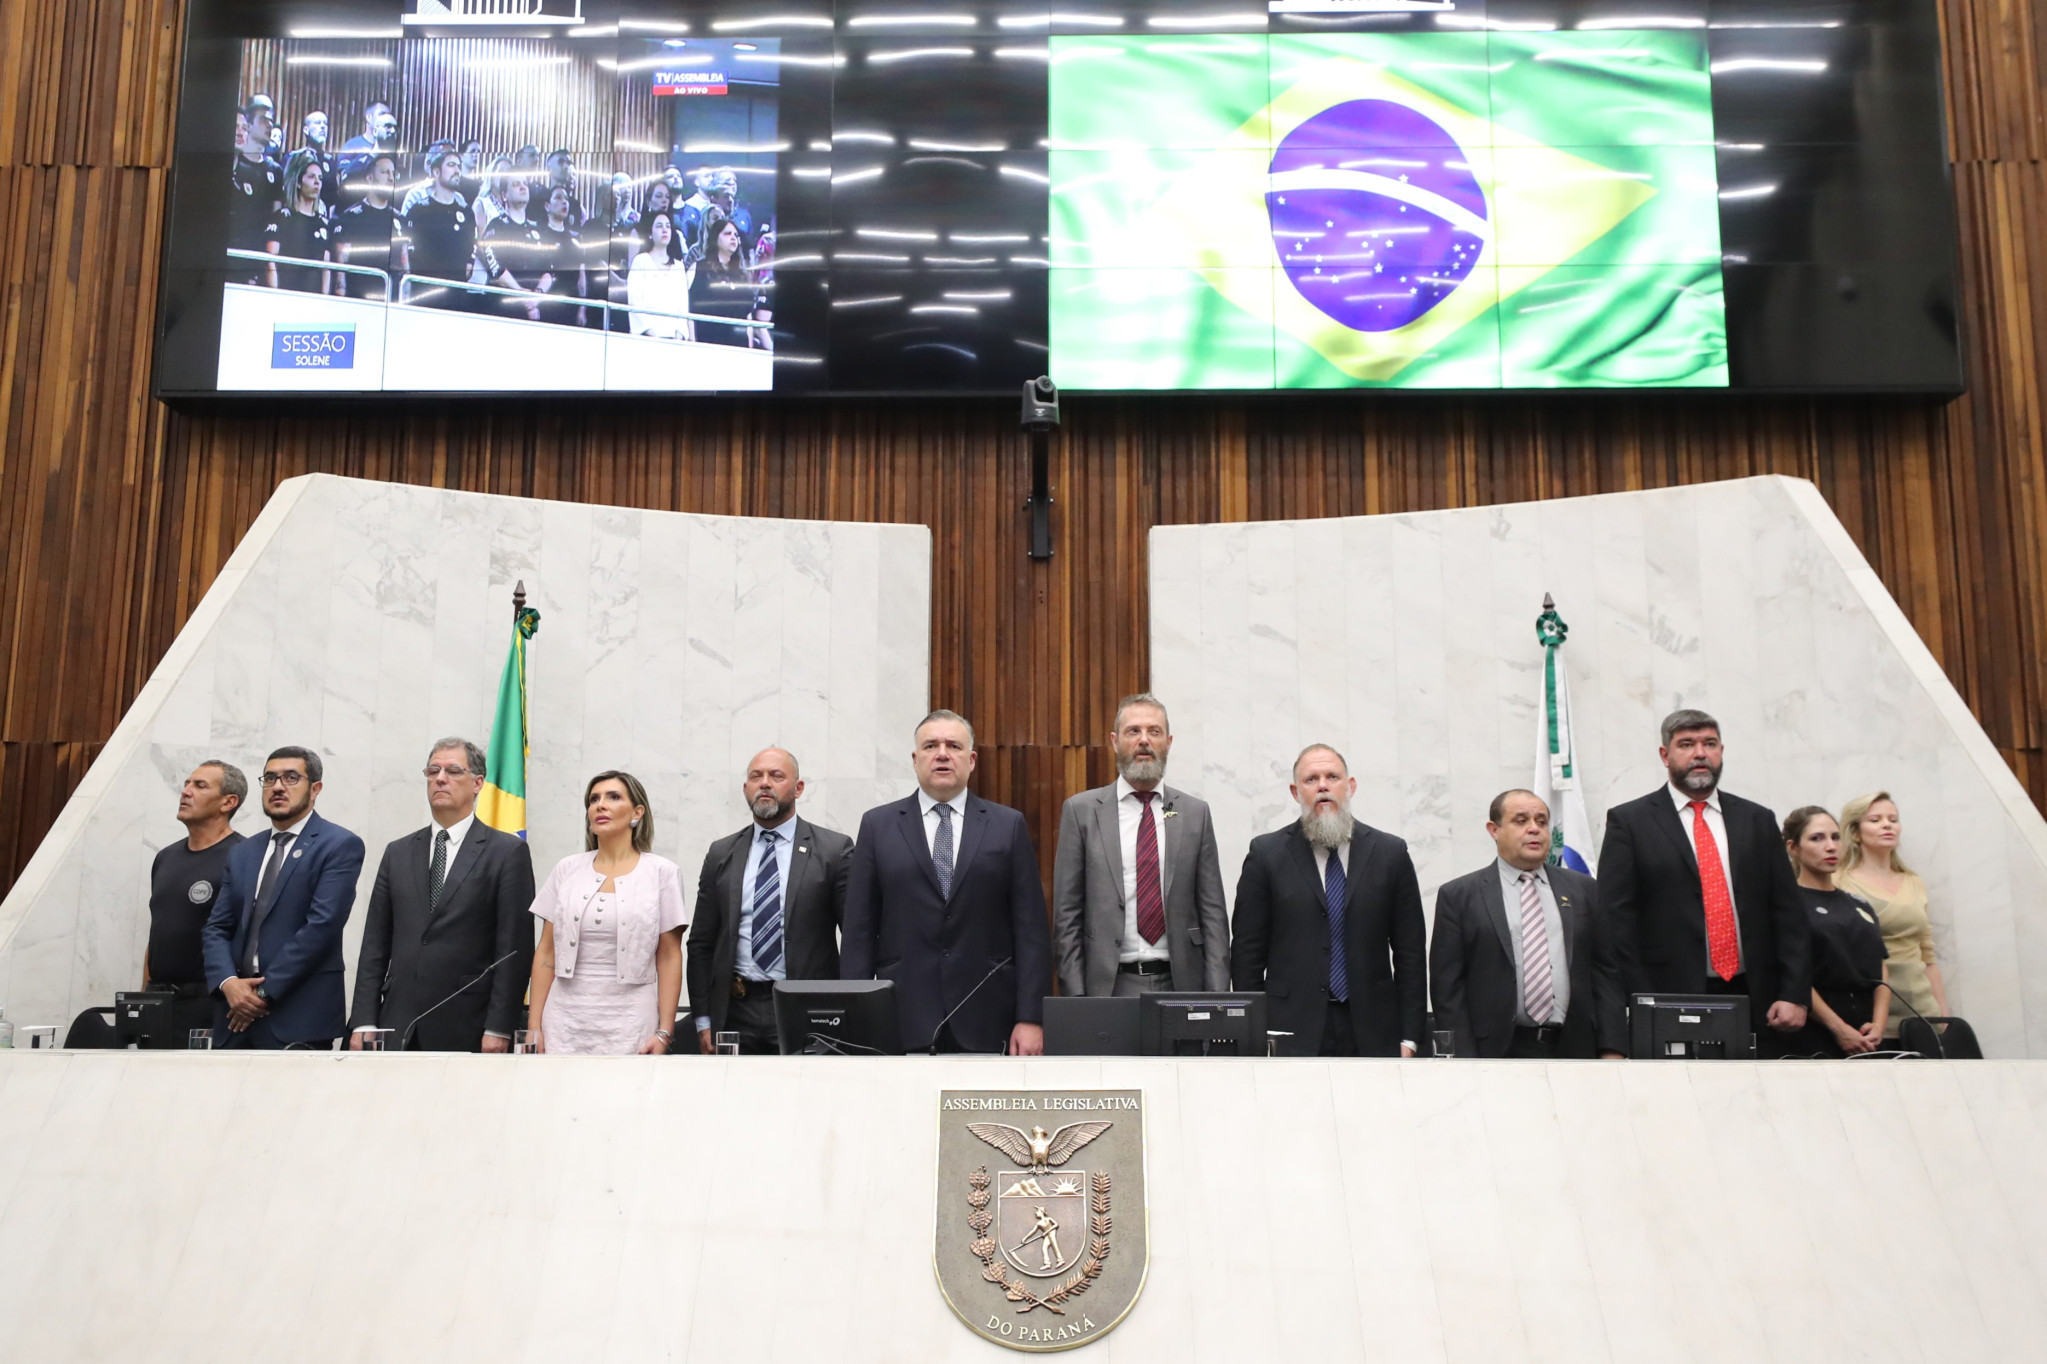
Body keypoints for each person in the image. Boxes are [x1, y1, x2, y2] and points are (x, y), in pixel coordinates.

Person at [1599, 709, 1811, 1055]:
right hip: (1669, 997)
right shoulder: (1630, 822)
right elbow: (1616, 922)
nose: (1700, 753)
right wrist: (1641, 1001)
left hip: (1758, 999)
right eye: (1687, 744)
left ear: (1721, 751)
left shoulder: (1757, 820)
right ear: (1665, 755)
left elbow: (1788, 914)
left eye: (1709, 743)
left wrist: (1794, 994)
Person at [841, 710, 1053, 1055]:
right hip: (900, 1016)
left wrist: (1031, 1017)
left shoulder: (1007, 825)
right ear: (915, 759)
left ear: (971, 761)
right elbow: (858, 932)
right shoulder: (878, 826)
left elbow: (1030, 931)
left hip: (988, 1018)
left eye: (953, 746)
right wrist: (857, 1015)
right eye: (930, 745)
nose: (942, 753)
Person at [1230, 744, 1426, 1057]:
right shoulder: (1266, 854)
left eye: (1332, 776)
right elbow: (1246, 954)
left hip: (1374, 1028)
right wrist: (1253, 1032)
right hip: (1288, 1028)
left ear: (1350, 786)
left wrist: (1410, 1037)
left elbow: (1411, 954)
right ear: (1296, 792)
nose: (1323, 785)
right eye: (1311, 779)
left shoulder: (1391, 854)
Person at [347, 739, 537, 1052]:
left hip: (469, 1025)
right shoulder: (398, 852)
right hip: (397, 1023)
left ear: (478, 783)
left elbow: (513, 949)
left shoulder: (506, 852)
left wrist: (500, 1026)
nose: (440, 778)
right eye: (433, 770)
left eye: (452, 771)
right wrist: (365, 1021)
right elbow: (374, 945)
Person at [1052, 693, 1229, 997]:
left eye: (1154, 731)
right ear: (1114, 741)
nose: (1144, 740)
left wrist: (1216, 998)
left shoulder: (1195, 814)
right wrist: (1077, 998)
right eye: (1133, 731)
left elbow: (1213, 914)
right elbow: (1067, 916)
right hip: (1108, 987)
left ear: (1168, 742)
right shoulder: (1081, 812)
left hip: (1181, 986)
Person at [1428, 790, 1625, 1059]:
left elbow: (1606, 974)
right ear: (1494, 830)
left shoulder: (1584, 891)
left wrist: (1612, 1048)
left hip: (1576, 1049)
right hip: (1493, 1052)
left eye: (1541, 821)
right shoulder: (1460, 896)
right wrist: (1463, 1058)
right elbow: (1447, 987)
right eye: (1521, 821)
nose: (1534, 829)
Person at [685, 748, 855, 1054]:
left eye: (776, 776)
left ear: (798, 788)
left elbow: (856, 939)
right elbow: (700, 943)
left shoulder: (833, 851)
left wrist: (847, 1010)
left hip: (806, 1009)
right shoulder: (721, 853)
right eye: (756, 776)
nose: (765, 783)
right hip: (735, 1010)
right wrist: (702, 1020)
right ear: (745, 788)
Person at [200, 747, 366, 1049]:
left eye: (291, 778)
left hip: (298, 1017)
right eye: (270, 778)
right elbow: (216, 928)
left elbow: (322, 927)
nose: (277, 786)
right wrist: (229, 984)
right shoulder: (243, 852)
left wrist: (261, 995)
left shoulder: (339, 845)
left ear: (315, 788)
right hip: (233, 1017)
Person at [527, 771, 686, 1055]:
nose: (600, 805)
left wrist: (664, 1031)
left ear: (637, 812)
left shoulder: (662, 873)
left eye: (613, 797)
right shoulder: (567, 868)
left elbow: (670, 956)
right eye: (594, 799)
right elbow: (546, 952)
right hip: (564, 1019)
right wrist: (534, 1026)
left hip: (631, 1019)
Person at [143, 762, 248, 1047]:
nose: (186, 791)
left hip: (209, 1003)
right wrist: (144, 997)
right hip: (157, 1002)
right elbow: (158, 935)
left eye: (200, 786)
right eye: (187, 784)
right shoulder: (165, 857)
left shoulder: (244, 858)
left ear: (228, 802)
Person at [1836, 791, 1947, 1040]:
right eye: (1875, 820)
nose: (1887, 825)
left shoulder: (1913, 882)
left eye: (1893, 819)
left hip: (1922, 1009)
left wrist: (1943, 1014)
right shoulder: (1838, 882)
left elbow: (1927, 955)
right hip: (1868, 1016)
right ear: (1855, 832)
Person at [1782, 806, 1888, 1057]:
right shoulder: (1789, 905)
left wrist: (1879, 1024)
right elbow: (1793, 975)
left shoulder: (1859, 904)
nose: (1830, 846)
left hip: (1866, 1031)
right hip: (1814, 1031)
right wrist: (1838, 1028)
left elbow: (1881, 967)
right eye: (1817, 838)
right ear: (1793, 848)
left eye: (1835, 837)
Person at [397, 147, 479, 310]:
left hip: (457, 297)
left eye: (458, 166)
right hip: (424, 295)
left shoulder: (466, 212)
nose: (457, 170)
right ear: (436, 172)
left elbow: (472, 246)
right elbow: (405, 247)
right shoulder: (419, 211)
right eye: (451, 165)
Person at [688, 212, 769, 348]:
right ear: (715, 238)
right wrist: (692, 342)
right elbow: (688, 310)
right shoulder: (698, 268)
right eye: (727, 234)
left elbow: (747, 317)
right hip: (707, 344)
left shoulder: (742, 275)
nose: (733, 238)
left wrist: (749, 348)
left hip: (738, 347)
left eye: (736, 235)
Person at [332, 151, 403, 300]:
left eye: (393, 174)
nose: (391, 178)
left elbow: (405, 265)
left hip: (391, 302)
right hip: (357, 300)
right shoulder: (350, 217)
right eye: (385, 173)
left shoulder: (399, 220)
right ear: (370, 178)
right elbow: (341, 264)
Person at [476, 178, 550, 320]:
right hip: (504, 308)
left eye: (525, 184)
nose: (523, 187)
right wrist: (521, 293)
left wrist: (536, 298)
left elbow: (549, 271)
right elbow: (495, 267)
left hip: (535, 310)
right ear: (504, 195)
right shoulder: (497, 225)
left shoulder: (537, 230)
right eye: (516, 185)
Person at [264, 150, 333, 293]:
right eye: (311, 177)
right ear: (299, 183)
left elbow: (326, 267)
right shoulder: (281, 217)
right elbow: (271, 260)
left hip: (313, 301)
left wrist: (325, 299)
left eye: (320, 178)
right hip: (284, 297)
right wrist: (273, 295)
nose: (317, 182)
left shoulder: (324, 224)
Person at [229, 100, 283, 275]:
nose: (269, 125)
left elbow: (276, 215)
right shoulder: (235, 163)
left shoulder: (275, 170)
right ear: (250, 124)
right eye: (263, 120)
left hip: (258, 257)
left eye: (271, 120)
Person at [627, 210, 690, 338]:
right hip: (646, 338)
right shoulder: (640, 261)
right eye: (659, 226)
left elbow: (683, 306)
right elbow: (635, 302)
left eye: (668, 226)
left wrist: (679, 336)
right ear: (650, 234)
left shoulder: (678, 266)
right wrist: (651, 334)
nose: (665, 229)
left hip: (674, 340)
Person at [292, 110, 338, 215]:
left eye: (325, 123)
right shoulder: (295, 157)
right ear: (306, 130)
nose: (323, 127)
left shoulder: (330, 160)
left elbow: (333, 196)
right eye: (317, 123)